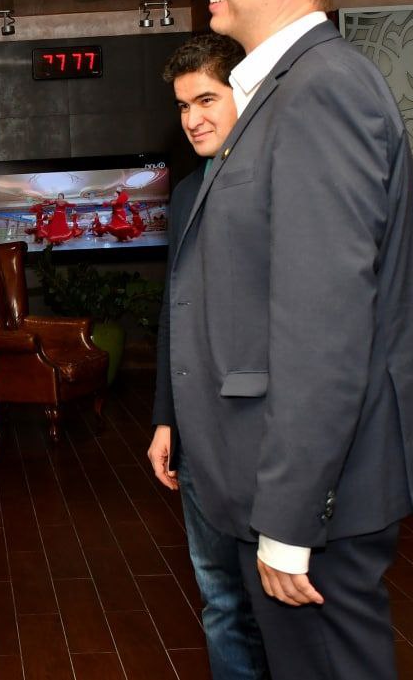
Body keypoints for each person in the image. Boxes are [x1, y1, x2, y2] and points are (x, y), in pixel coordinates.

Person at [171, 0, 413, 680]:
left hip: (314, 504)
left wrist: (291, 518)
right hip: (287, 489)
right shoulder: (286, 91)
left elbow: (324, 328)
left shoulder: (322, 92)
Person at [147, 33, 268, 680]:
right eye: (182, 105)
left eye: (206, 100)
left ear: (242, 93)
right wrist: (165, 418)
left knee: (273, 605)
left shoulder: (279, 181)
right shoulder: (187, 192)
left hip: (259, 438)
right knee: (220, 600)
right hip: (195, 438)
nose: (192, 118)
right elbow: (178, 308)